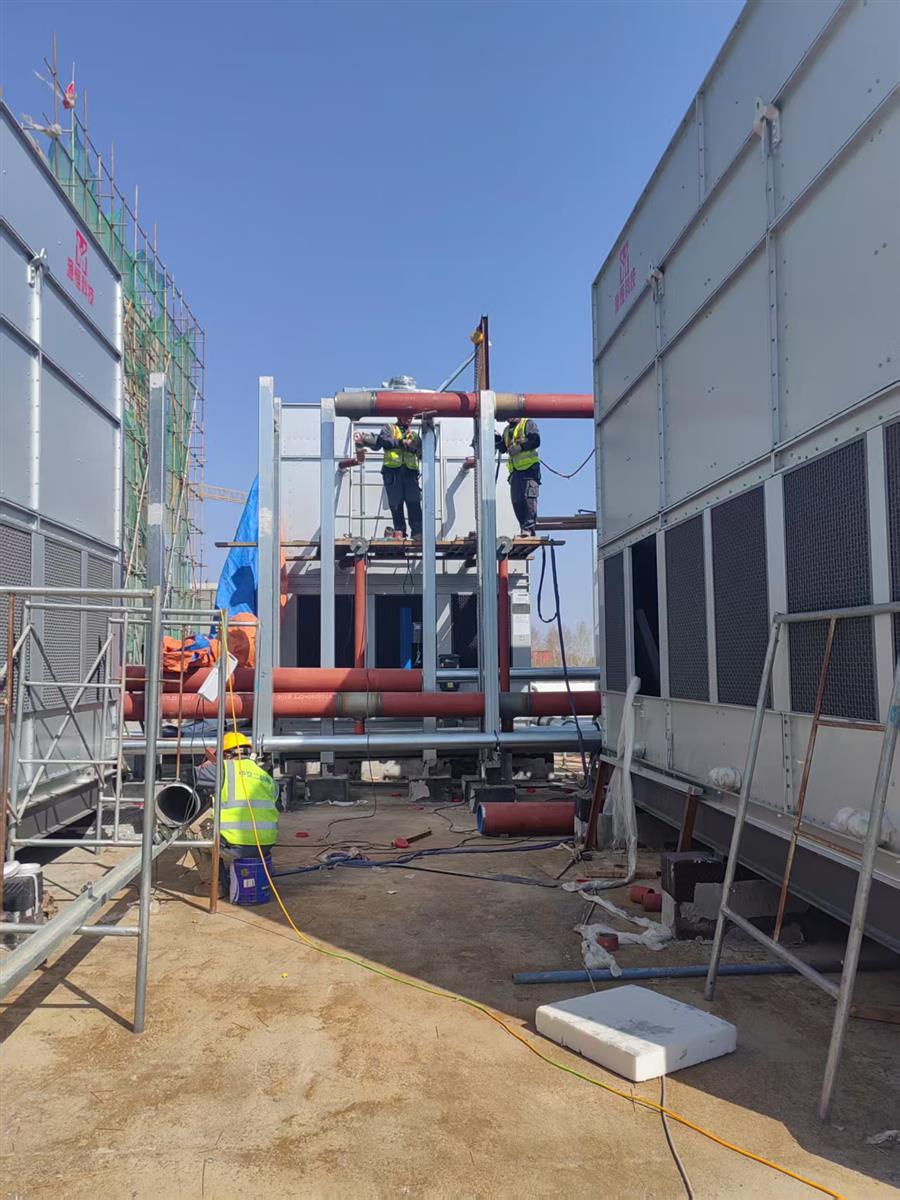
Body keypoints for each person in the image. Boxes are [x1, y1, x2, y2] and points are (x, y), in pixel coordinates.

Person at [197, 731, 279, 895]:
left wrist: (208, 764)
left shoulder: (223, 768)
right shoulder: (265, 776)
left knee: (193, 830)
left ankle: (214, 886)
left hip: (236, 846)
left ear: (226, 755)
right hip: (266, 845)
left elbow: (190, 776)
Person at [355, 416, 422, 538]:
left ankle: (417, 532)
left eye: (411, 416)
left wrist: (415, 447)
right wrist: (402, 442)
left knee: (414, 502)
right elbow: (384, 442)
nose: (409, 419)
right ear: (399, 416)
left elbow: (421, 452)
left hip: (410, 472)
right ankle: (399, 532)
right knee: (396, 504)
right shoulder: (389, 428)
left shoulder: (414, 435)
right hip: (392, 472)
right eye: (407, 415)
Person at [497, 415, 541, 535]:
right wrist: (495, 440)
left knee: (529, 499)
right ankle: (524, 527)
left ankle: (529, 529)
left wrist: (521, 447)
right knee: (517, 501)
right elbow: (503, 448)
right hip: (516, 471)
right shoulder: (507, 430)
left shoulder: (527, 424)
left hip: (529, 469)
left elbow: (535, 441)